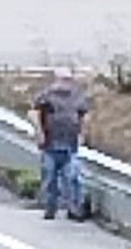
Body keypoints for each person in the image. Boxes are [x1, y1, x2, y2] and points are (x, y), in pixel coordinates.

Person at [33, 67, 90, 221]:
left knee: (73, 177)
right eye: (63, 80)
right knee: (50, 176)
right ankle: (51, 206)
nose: (66, 84)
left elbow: (84, 116)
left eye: (68, 80)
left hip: (70, 144)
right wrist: (40, 133)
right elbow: (36, 113)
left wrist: (82, 135)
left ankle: (75, 208)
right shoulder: (46, 96)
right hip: (50, 144)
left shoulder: (77, 97)